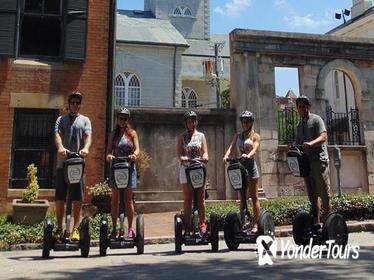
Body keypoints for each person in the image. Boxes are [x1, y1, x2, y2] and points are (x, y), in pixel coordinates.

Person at [54, 91, 92, 240]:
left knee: (77, 197)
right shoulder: (60, 119)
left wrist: (86, 148)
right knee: (60, 197)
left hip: (78, 164)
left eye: (77, 103)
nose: (75, 105)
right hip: (62, 164)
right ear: (69, 104)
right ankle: (59, 227)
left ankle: (76, 228)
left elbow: (88, 136)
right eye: (73, 103)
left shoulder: (85, 120)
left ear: (80, 105)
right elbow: (57, 135)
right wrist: (60, 147)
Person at [294, 95, 331, 224]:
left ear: (308, 107)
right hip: (307, 164)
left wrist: (311, 143)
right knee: (313, 196)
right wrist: (292, 147)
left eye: (304, 106)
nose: (302, 108)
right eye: (300, 107)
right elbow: (298, 143)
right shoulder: (299, 125)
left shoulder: (316, 120)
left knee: (324, 194)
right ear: (297, 109)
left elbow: (323, 136)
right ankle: (316, 222)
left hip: (319, 161)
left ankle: (328, 223)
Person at [223, 111, 261, 233]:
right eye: (243, 121)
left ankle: (255, 223)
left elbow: (255, 149)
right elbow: (231, 147)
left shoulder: (255, 136)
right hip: (240, 167)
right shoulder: (238, 136)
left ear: (251, 122)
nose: (245, 123)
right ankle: (244, 222)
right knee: (242, 197)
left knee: (254, 196)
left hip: (251, 168)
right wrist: (226, 156)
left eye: (247, 121)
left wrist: (248, 155)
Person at [106, 108, 139, 239]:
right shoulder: (113, 134)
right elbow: (108, 151)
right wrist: (109, 156)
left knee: (128, 199)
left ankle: (130, 228)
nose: (122, 121)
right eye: (120, 118)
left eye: (125, 118)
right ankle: (114, 228)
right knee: (114, 200)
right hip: (116, 168)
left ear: (127, 120)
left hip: (129, 168)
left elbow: (137, 149)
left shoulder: (132, 133)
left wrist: (134, 155)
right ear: (117, 119)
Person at [177, 111, 209, 234]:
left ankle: (202, 224)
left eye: (194, 121)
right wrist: (182, 158)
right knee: (187, 199)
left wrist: (205, 157)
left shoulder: (201, 136)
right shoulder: (182, 137)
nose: (192, 123)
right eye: (190, 121)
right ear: (186, 123)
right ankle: (188, 225)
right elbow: (179, 154)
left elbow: (205, 152)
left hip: (199, 169)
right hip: (186, 170)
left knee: (201, 198)